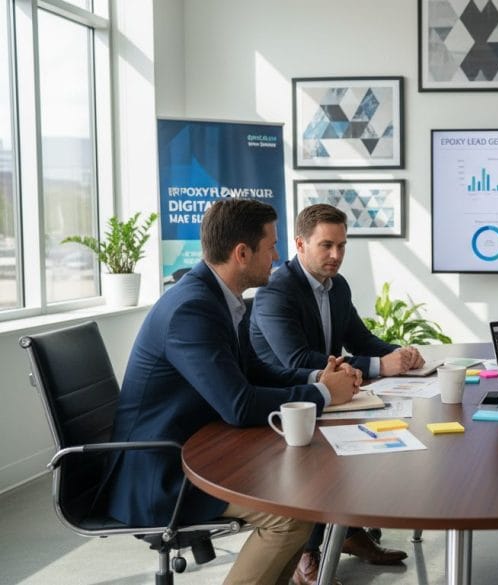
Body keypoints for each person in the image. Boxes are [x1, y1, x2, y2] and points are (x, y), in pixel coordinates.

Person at [104, 198, 362, 585]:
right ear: (242, 253)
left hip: (200, 446)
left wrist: (316, 382)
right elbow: (239, 405)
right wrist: (325, 395)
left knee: (304, 494)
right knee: (289, 516)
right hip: (161, 472)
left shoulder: (219, 297)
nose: (278, 256)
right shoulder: (192, 309)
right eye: (272, 245)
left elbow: (254, 371)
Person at [251, 204, 417, 584]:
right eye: (326, 246)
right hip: (285, 404)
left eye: (342, 246)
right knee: (326, 455)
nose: (336, 256)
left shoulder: (336, 286)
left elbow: (360, 339)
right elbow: (296, 359)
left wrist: (398, 353)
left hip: (329, 396)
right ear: (299, 244)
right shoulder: (275, 292)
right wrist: (378, 367)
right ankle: (306, 552)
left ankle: (349, 533)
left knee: (372, 437)